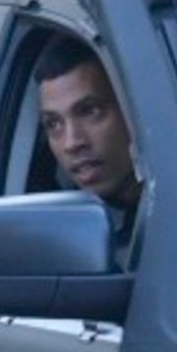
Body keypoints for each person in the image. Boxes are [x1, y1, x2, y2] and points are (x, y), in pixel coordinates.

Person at [33, 40, 142, 229]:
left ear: (131, 110)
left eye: (90, 111)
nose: (72, 143)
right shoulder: (61, 234)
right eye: (54, 123)